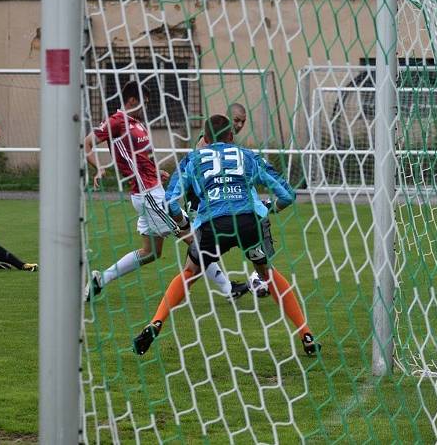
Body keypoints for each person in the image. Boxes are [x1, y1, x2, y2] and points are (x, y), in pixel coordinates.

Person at [133, 115, 321, 357]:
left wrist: (182, 223)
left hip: (213, 225)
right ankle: (305, 332)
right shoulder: (248, 155)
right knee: (267, 272)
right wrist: (270, 207)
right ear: (231, 136)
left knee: (190, 272)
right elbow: (287, 195)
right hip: (247, 222)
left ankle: (156, 322)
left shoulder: (193, 158)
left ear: (205, 138)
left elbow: (171, 201)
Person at [83, 81, 247, 301]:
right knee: (195, 239)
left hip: (151, 191)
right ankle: (228, 289)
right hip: (149, 195)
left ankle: (100, 280)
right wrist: (99, 168)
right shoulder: (116, 122)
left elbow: (138, 158)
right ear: (132, 100)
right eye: (145, 102)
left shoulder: (136, 124)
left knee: (151, 252)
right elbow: (87, 143)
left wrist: (156, 171)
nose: (147, 107)